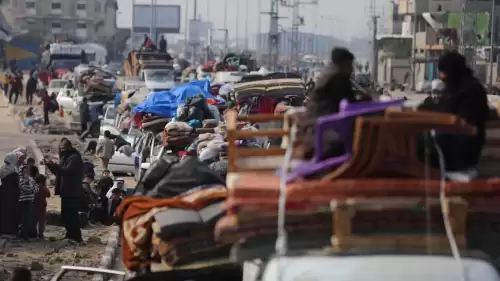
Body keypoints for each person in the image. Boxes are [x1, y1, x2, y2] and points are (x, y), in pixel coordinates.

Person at [421, 51, 490, 172]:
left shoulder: (472, 90)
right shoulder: (453, 87)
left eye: (444, 72)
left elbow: (463, 121)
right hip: (452, 138)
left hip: (463, 146)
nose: (442, 77)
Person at [44, 139, 85, 242]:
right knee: (66, 214)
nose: (62, 151)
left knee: (72, 215)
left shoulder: (75, 158)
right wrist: (50, 165)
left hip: (72, 191)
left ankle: (76, 236)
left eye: (63, 149)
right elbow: (59, 173)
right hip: (65, 191)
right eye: (60, 149)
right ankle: (70, 234)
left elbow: (67, 171)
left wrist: (56, 165)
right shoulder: (65, 158)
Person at [0, 153, 22, 236]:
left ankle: (3, 228)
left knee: (4, 211)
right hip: (12, 193)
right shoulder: (14, 169)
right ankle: (11, 229)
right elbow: (17, 184)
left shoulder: (2, 168)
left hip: (3, 192)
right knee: (12, 211)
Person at [18, 165, 37, 239]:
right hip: (22, 201)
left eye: (27, 171)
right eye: (25, 171)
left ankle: (25, 234)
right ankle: (21, 234)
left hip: (30, 200)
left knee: (28, 218)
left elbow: (36, 188)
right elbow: (24, 188)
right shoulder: (20, 179)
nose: (26, 172)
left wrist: (31, 189)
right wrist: (26, 181)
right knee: (22, 218)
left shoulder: (31, 179)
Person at [33, 174, 49, 238]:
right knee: (41, 221)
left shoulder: (34, 186)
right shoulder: (43, 187)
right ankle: (40, 234)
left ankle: (33, 232)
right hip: (42, 206)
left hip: (34, 205)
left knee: (34, 220)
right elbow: (48, 194)